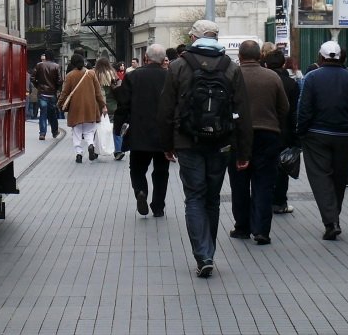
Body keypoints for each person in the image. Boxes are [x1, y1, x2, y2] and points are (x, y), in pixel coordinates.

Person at [157, 19, 252, 278]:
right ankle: (208, 250)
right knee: (212, 197)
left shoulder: (178, 66)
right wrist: (243, 153)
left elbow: (166, 110)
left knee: (194, 197)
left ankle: (203, 254)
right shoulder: (231, 68)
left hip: (187, 141)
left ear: (194, 38)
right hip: (221, 142)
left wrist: (167, 145)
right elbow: (242, 113)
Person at [228, 40, 288, 245]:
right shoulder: (272, 77)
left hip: (238, 136)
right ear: (260, 56)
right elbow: (284, 107)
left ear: (240, 56)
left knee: (239, 182)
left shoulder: (231, 76)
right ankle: (261, 230)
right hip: (268, 134)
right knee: (264, 183)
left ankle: (242, 226)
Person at [295, 41, 348, 240]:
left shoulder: (312, 77)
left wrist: (301, 132)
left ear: (320, 57)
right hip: (345, 136)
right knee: (339, 178)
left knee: (320, 177)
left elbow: (304, 108)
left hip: (316, 135)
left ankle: (331, 221)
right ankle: (334, 216)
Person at [117, 43, 170, 217]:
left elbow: (123, 105)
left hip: (139, 132)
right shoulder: (170, 77)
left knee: (137, 168)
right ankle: (158, 205)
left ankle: (141, 191)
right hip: (163, 133)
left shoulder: (133, 76)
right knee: (161, 171)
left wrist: (118, 128)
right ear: (163, 60)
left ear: (145, 58)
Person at [263, 49, 300, 213]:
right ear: (283, 63)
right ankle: (280, 202)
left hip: (263, 130)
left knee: (263, 167)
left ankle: (264, 199)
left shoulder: (262, 80)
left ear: (266, 63)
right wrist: (295, 136)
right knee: (282, 169)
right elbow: (293, 112)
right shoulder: (291, 83)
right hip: (283, 132)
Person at [59, 53, 106, 163]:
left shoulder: (70, 75)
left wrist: (60, 103)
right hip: (91, 107)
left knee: (76, 132)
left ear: (73, 63)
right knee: (89, 131)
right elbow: (98, 92)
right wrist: (103, 105)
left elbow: (65, 92)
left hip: (76, 108)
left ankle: (79, 154)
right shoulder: (91, 74)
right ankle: (90, 145)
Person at [94, 57, 122, 158]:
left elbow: (99, 93)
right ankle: (118, 150)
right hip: (114, 105)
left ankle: (95, 150)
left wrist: (103, 105)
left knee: (97, 128)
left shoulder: (95, 75)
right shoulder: (113, 74)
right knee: (116, 128)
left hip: (99, 106)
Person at [32, 51, 63, 141]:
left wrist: (38, 86)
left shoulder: (39, 65)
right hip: (52, 94)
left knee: (43, 113)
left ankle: (42, 133)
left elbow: (33, 78)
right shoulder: (56, 66)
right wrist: (56, 88)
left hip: (42, 93)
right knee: (52, 113)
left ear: (46, 57)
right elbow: (60, 80)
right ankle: (55, 131)